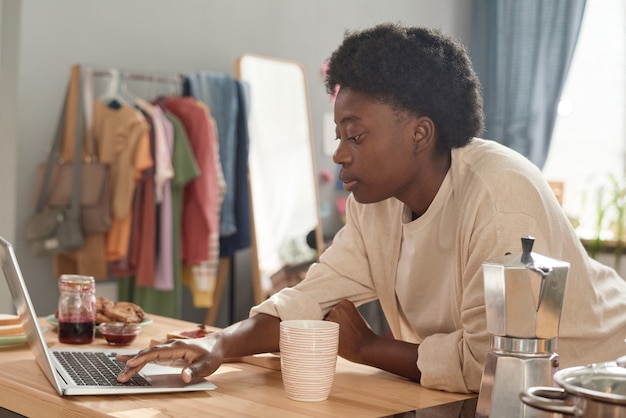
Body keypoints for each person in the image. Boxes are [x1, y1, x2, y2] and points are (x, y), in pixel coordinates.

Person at [117, 23, 626, 393]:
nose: (339, 153)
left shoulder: (498, 196)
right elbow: (313, 298)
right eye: (339, 135)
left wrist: (367, 349)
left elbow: (493, 362)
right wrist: (220, 345)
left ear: (420, 133)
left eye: (355, 135)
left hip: (593, 385)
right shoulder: (376, 203)